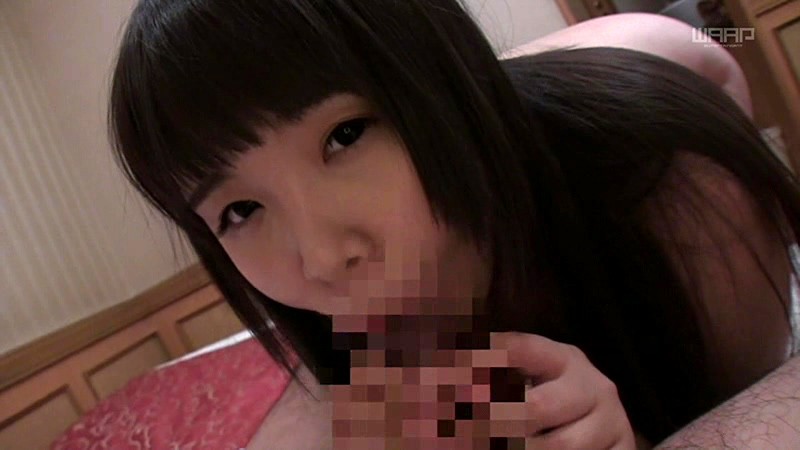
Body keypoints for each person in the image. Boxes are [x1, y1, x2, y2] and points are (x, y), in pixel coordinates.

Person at [108, 0, 800, 448]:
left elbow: (753, 407)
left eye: (345, 136)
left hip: (660, 57)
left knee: (683, 40)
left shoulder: (682, 190)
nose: (321, 258)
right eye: (240, 211)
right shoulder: (339, 354)